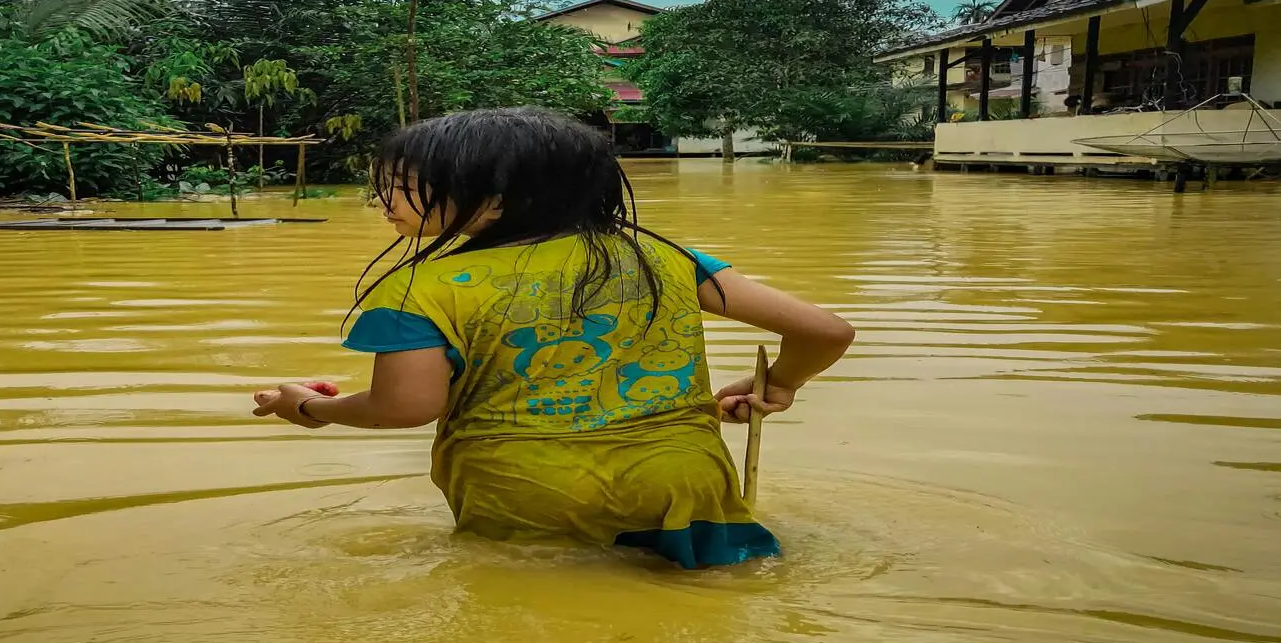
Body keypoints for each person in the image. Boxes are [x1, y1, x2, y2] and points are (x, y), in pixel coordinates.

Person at [252, 108, 855, 569]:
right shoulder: (663, 257)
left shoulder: (418, 289)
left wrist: (311, 407)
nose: (380, 200)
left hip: (521, 485)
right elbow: (826, 331)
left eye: (402, 184)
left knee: (531, 618)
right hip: (680, 476)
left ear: (495, 199)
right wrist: (777, 383)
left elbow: (405, 407)